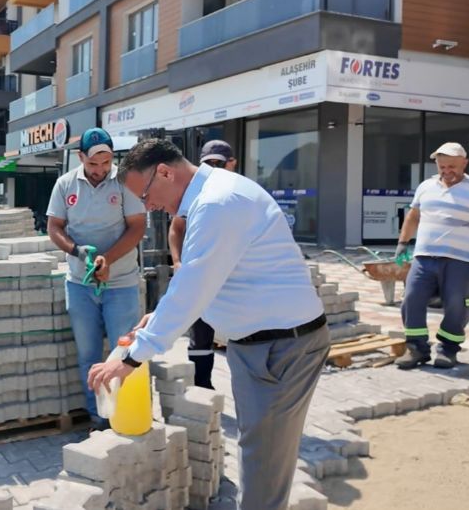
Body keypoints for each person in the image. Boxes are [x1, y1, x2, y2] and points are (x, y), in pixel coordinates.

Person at [89, 139, 329, 510]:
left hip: (284, 347)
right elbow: (211, 280)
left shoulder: (218, 202)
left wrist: (132, 358)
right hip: (257, 345)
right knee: (258, 452)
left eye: (146, 195)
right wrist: (158, 317)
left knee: (264, 463)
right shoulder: (211, 197)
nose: (148, 207)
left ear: (165, 172)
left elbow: (194, 283)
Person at [46, 127, 147, 425]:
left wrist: (107, 259)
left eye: (106, 163)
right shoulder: (65, 185)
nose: (100, 170)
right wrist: (79, 253)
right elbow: (54, 228)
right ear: (80, 157)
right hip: (80, 284)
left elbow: (137, 227)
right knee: (89, 355)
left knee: (125, 353)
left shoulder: (124, 183)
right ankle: (99, 418)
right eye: (93, 164)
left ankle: (126, 418)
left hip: (122, 283)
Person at [394, 142, 469, 369]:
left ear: (465, 163)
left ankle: (448, 350)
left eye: (452, 165)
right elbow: (413, 217)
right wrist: (403, 243)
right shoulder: (426, 186)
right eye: (442, 166)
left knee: (457, 304)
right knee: (411, 298)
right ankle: (416, 349)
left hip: (463, 261)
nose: (447, 170)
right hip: (424, 257)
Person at [168, 140, 238, 389]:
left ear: (232, 164)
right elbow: (176, 228)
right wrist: (177, 262)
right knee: (201, 334)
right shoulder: (194, 193)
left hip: (232, 279)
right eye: (210, 164)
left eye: (220, 164)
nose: (215, 169)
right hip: (200, 275)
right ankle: (202, 386)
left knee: (241, 335)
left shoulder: (240, 193)